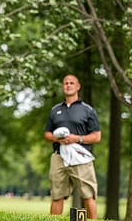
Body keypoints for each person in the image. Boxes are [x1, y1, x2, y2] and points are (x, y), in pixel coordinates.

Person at [44, 75, 101, 219]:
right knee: (57, 195)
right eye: (65, 83)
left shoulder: (87, 110)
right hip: (59, 156)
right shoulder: (55, 110)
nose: (68, 85)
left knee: (88, 195)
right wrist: (57, 138)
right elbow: (47, 134)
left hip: (80, 156)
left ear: (78, 86)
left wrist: (77, 138)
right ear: (63, 86)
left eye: (71, 83)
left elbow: (96, 136)